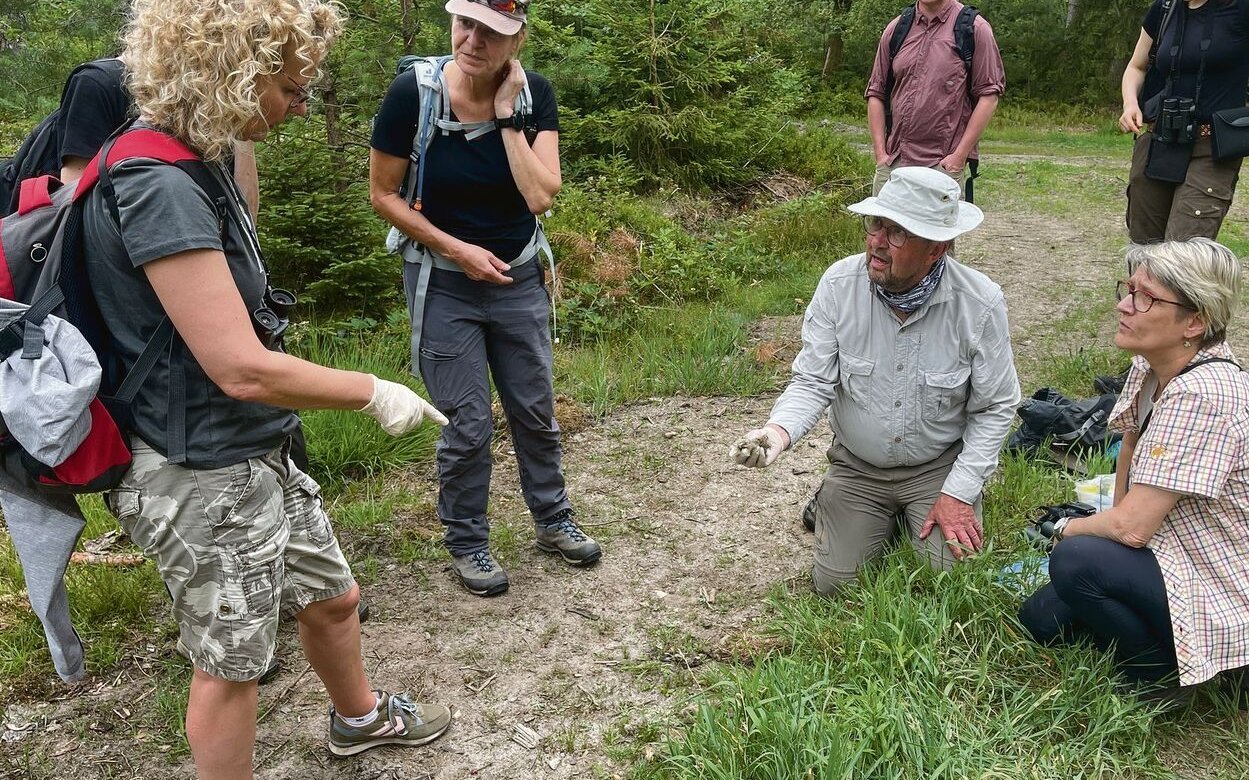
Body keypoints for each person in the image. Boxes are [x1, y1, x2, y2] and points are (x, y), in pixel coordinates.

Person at [84, 0, 453, 775]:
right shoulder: (156, 181)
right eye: (290, 88)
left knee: (332, 598)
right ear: (235, 75)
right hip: (197, 465)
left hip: (252, 444)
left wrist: (238, 126)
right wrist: (370, 390)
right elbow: (239, 367)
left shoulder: (196, 158)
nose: (300, 106)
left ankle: (359, 719)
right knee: (232, 664)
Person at [0, 54, 264, 687]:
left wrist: (240, 130)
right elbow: (79, 217)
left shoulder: (199, 129)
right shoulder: (107, 92)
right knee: (225, 646)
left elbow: (244, 223)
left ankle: (259, 608)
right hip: (142, 373)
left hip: (201, 379)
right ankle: (222, 629)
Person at [369, 0, 601, 597]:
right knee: (467, 424)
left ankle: (552, 519)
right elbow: (383, 195)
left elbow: (541, 195)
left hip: (518, 279)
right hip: (444, 284)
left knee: (534, 409)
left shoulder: (534, 96)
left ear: (516, 39)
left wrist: (505, 119)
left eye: (492, 31)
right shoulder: (414, 95)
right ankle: (468, 541)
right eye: (465, 24)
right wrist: (459, 250)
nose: (473, 40)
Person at [730, 167, 1019, 595]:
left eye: (897, 232)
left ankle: (911, 511)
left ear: (936, 248)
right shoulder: (838, 285)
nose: (877, 241)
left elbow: (995, 407)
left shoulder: (979, 303)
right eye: (876, 223)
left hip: (937, 467)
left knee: (948, 580)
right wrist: (776, 432)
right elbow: (812, 381)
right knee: (836, 587)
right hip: (859, 467)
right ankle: (845, 503)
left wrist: (959, 492)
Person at [1020, 239, 1249, 697]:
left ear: (1195, 321)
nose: (1124, 305)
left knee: (1074, 561)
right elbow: (1129, 441)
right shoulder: (1153, 365)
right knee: (1041, 618)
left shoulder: (1203, 394)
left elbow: (1132, 529)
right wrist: (1110, 531)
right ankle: (1159, 639)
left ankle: (1160, 675)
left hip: (1221, 581)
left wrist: (1065, 528)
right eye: (1128, 290)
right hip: (1173, 549)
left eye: (1146, 298)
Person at [1118, 0, 1249, 244]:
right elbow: (1137, 67)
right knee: (1144, 249)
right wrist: (1130, 104)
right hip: (1159, 141)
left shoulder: (1240, 8)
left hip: (1212, 148)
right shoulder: (1164, 9)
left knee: (1183, 252)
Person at [865, 0, 1005, 197]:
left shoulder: (975, 28)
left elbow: (989, 96)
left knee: (938, 220)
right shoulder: (896, 28)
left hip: (942, 166)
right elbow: (876, 92)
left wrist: (958, 157)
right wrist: (881, 155)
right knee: (880, 219)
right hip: (894, 164)